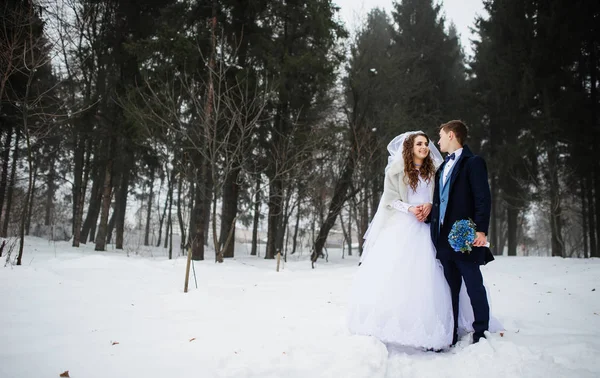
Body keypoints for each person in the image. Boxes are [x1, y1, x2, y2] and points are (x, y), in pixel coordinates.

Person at [346, 131, 454, 350]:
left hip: (427, 228)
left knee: (427, 276)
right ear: (410, 147)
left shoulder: (434, 171)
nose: (424, 147)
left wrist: (430, 207)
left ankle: (427, 327)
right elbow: (390, 200)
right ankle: (388, 324)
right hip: (402, 225)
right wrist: (411, 208)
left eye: (426, 143)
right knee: (395, 275)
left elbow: (439, 197)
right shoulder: (396, 171)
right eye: (419, 144)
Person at [429, 120, 496, 345]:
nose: (437, 141)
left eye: (440, 136)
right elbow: (440, 202)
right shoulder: (441, 168)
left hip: (465, 237)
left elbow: (482, 198)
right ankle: (451, 334)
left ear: (451, 135)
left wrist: (481, 230)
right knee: (450, 290)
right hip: (443, 240)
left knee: (473, 284)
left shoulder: (473, 162)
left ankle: (481, 332)